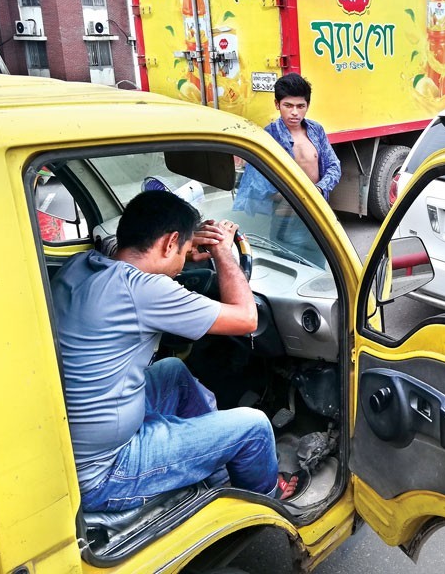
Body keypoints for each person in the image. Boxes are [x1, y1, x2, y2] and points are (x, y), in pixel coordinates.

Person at [52, 190, 298, 512]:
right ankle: (269, 496)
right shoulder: (146, 290)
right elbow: (247, 318)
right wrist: (223, 253)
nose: (183, 260)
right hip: (105, 472)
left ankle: (218, 460)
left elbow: (124, 250)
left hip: (69, 444)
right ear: (169, 243)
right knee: (253, 427)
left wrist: (181, 247)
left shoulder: (82, 265)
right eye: (181, 250)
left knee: (174, 372)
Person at [234, 73, 340, 265]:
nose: (294, 113)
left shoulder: (316, 130)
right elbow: (255, 184)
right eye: (288, 106)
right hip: (286, 221)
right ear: (277, 104)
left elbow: (334, 166)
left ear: (307, 105)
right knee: (290, 272)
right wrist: (286, 197)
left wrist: (318, 189)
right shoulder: (269, 136)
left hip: (318, 214)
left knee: (319, 269)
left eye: (300, 106)